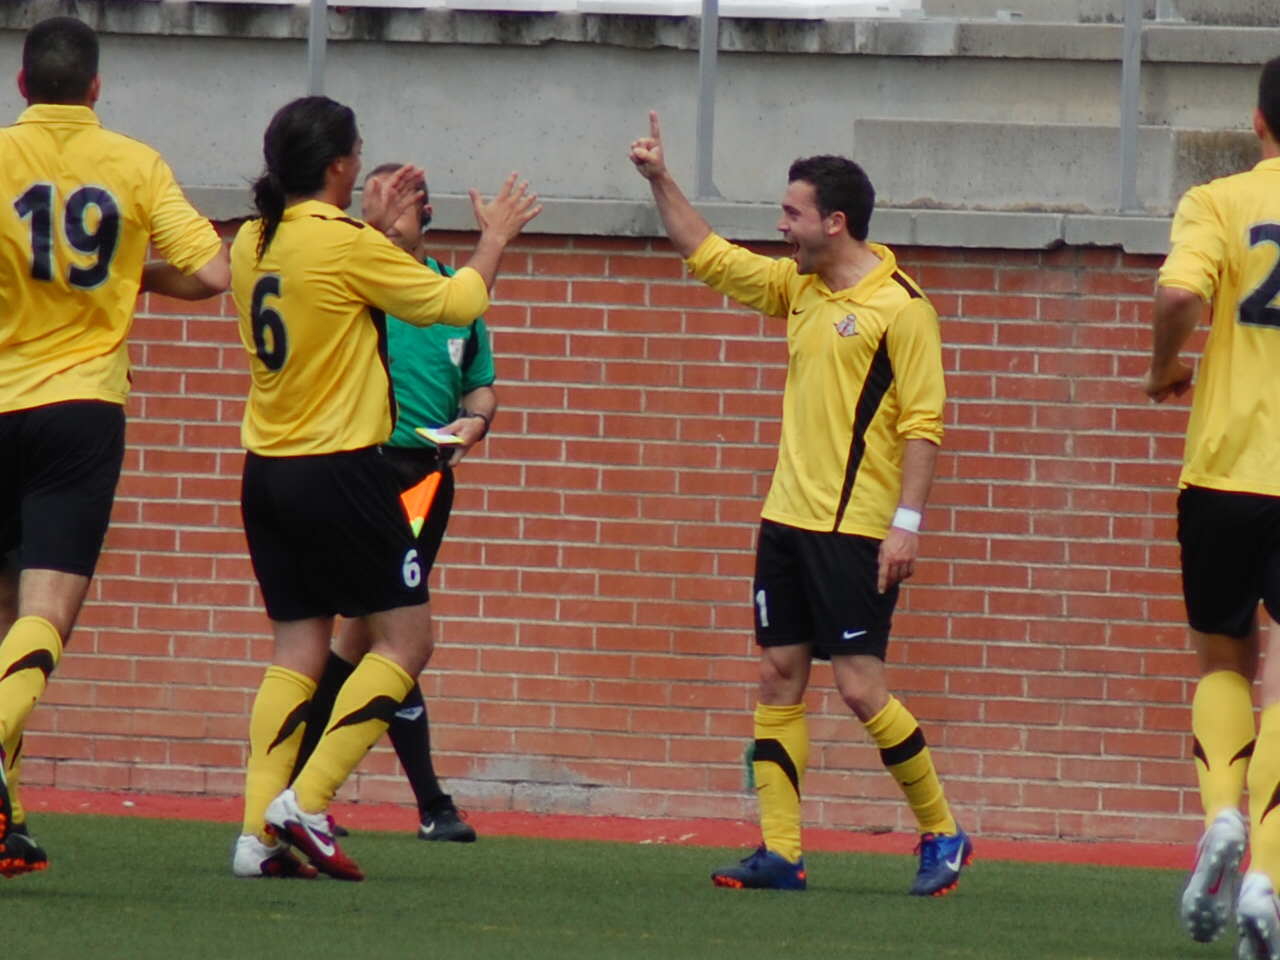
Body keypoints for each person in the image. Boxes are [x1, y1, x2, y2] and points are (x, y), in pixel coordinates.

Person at [628, 113, 970, 896]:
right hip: (785, 522)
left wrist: (905, 526)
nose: (781, 226)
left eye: (792, 213)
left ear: (834, 221)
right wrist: (658, 178)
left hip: (855, 532)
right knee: (778, 675)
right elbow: (706, 254)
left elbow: (924, 426)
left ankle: (943, 830)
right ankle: (782, 852)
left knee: (858, 688)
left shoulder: (903, 309)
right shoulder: (799, 287)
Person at [230, 96, 538, 882]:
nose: (364, 165)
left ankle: (255, 837)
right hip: (342, 469)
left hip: (267, 471)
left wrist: (365, 228)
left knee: (296, 650)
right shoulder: (341, 244)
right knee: (407, 641)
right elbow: (452, 303)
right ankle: (309, 798)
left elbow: (330, 282)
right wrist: (495, 238)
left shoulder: (254, 240)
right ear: (339, 165)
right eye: (356, 154)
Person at [0, 16, 229, 878]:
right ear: (96, 88)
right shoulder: (135, 163)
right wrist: (127, 267)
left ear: (22, 85)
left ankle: (8, 819)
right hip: (79, 407)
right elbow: (213, 273)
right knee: (43, 617)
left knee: (4, 620)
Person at [288, 162, 497, 844]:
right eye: (394, 195)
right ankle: (429, 804)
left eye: (417, 198)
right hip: (367, 471)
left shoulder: (450, 293)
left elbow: (480, 386)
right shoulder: (357, 274)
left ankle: (296, 790)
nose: (409, 207)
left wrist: (477, 420)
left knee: (363, 636)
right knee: (392, 635)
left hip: (430, 476)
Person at [1144, 56, 1280, 959]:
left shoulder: (1218, 199)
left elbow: (1180, 294)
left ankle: (1222, 819)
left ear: (1260, 119)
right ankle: (1266, 873)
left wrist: (1162, 372)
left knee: (1224, 664)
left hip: (1224, 477)